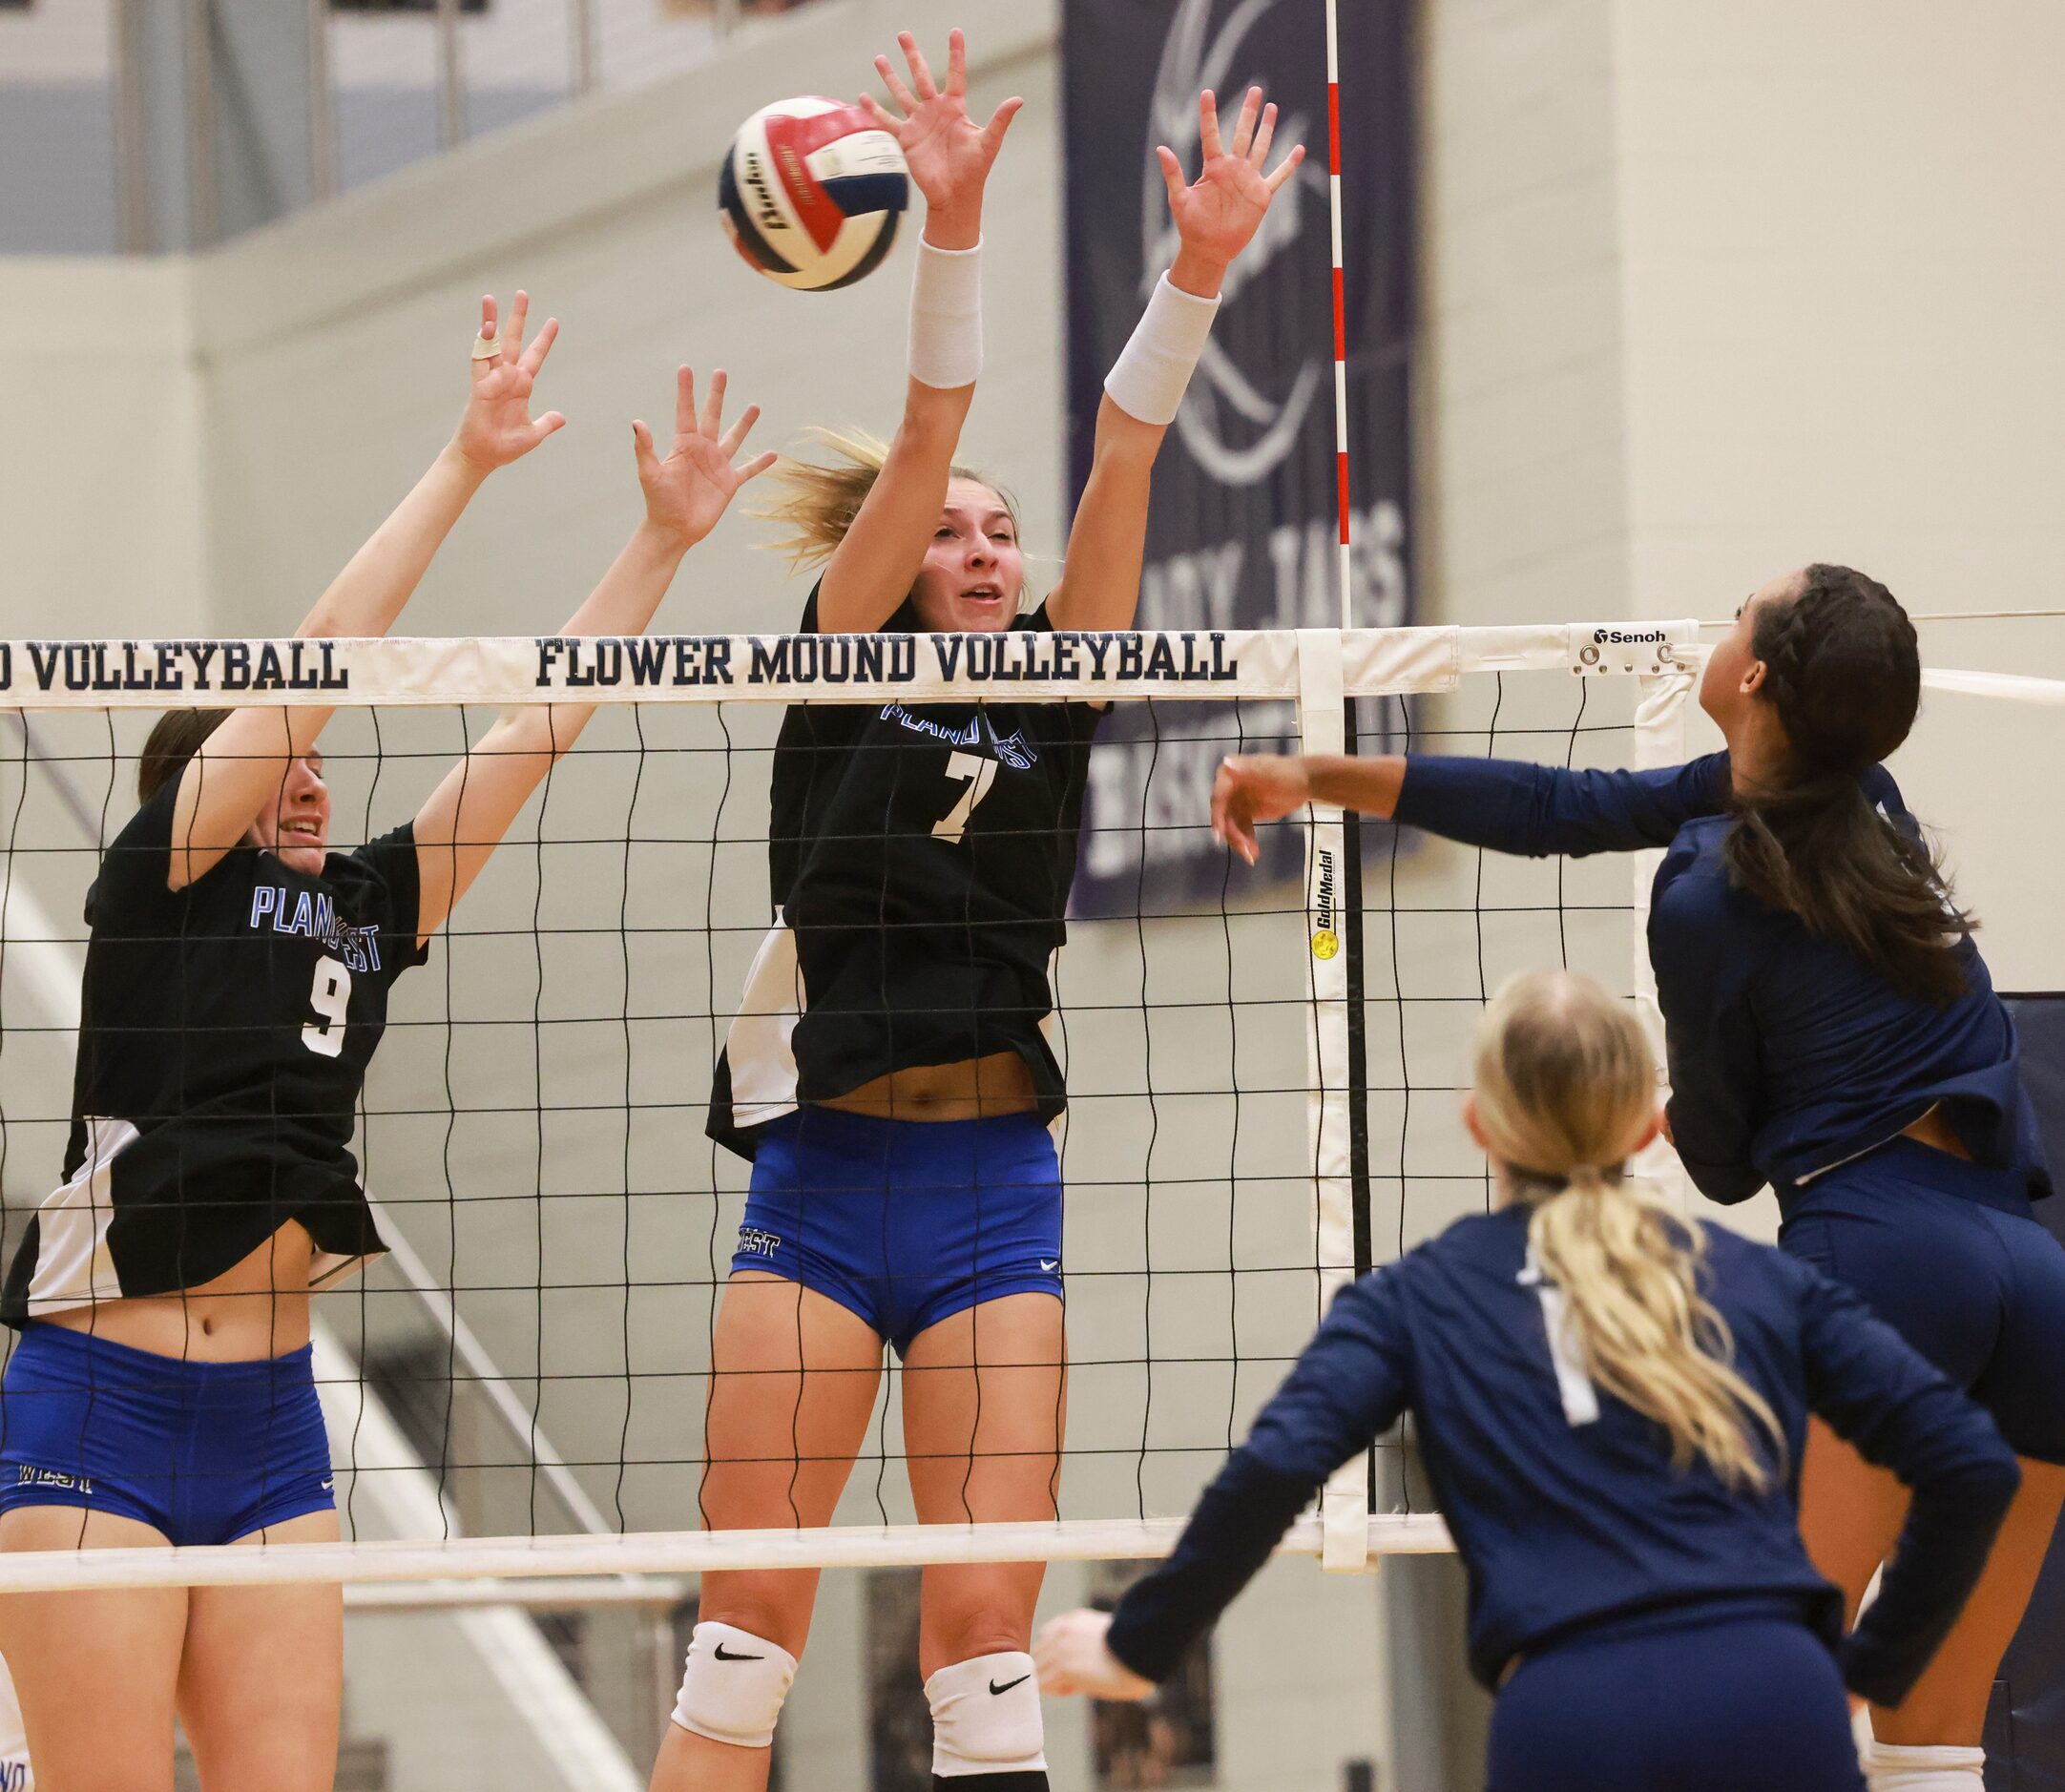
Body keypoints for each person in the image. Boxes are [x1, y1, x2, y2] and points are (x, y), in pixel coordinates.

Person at [0, 295, 775, 1792]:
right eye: (279, 760)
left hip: (276, 1425)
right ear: (206, 795)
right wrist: (465, 461)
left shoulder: (366, 904)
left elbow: (535, 734)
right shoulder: (156, 890)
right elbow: (318, 660)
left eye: (317, 769)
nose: (309, 777)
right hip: (98, 1409)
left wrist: (662, 546)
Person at [665, 31, 1304, 1792]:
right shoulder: (842, 663)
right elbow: (932, 421)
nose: (980, 543)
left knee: (979, 1644)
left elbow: (1125, 441)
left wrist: (1191, 269)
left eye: (995, 533)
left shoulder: (1057, 687)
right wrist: (946, 225)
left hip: (986, 1184)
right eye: (946, 529)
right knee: (743, 1638)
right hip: (817, 1179)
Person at [1205, 564, 2065, 1790]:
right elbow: (1567, 803)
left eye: (1739, 618)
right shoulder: (1862, 796)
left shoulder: (1710, 892)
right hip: (2031, 1280)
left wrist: (1640, 1126)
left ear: (1753, 677)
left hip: (1883, 1263)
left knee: (1761, 1703)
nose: (1722, 628)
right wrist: (1319, 776)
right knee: (1935, 1746)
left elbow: (1715, 1163)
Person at [1035, 969, 2022, 1792]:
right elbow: (1971, 1463)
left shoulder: (1412, 1300)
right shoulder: (1760, 1277)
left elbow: (1273, 1470)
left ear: (1479, 1125)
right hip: (1774, 1699)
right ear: (1645, 1128)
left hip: (1572, 1717)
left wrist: (1137, 1645)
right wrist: (1865, 1669)